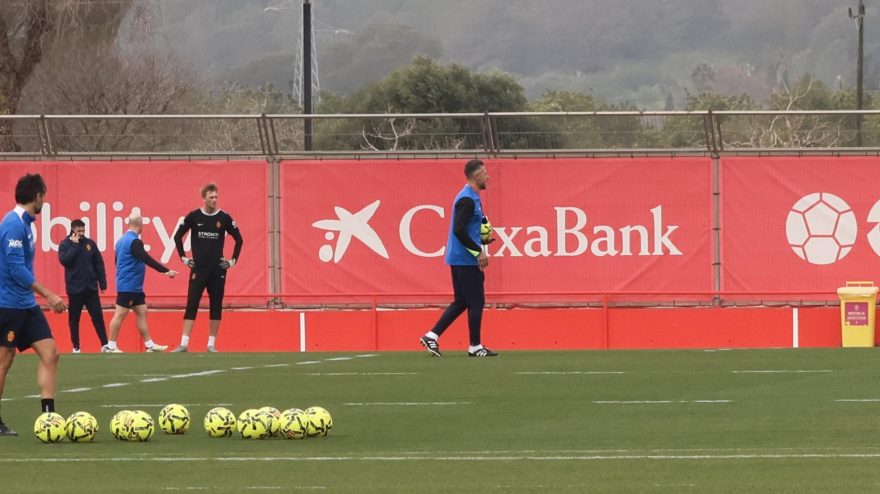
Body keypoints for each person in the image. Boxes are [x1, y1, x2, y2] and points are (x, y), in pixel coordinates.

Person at [0, 173, 67, 436]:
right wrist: (48, 294)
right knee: (5, 359)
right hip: (8, 305)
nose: (44, 202)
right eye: (44, 197)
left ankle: (48, 418)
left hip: (26, 304)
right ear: (37, 197)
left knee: (51, 353)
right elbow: (15, 268)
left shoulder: (27, 224)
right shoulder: (13, 224)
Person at [420, 159, 498, 358]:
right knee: (476, 301)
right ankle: (475, 346)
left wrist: (482, 238)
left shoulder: (471, 197)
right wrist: (478, 251)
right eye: (485, 173)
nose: (488, 176)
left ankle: (431, 335)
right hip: (465, 259)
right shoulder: (467, 199)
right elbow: (459, 230)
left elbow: (465, 229)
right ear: (477, 176)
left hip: (460, 258)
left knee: (462, 301)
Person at [171, 183, 243, 353]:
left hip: (217, 269)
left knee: (216, 304)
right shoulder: (194, 216)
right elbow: (177, 236)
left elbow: (239, 239)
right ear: (204, 198)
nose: (214, 200)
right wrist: (183, 258)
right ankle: (184, 344)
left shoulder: (224, 217)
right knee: (192, 303)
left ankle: (211, 344)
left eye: (216, 197)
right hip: (199, 268)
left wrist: (232, 261)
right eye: (211, 197)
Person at [103, 213, 176, 353]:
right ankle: (110, 346)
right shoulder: (134, 241)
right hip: (129, 285)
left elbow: (117, 262)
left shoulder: (120, 241)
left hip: (133, 285)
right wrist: (166, 271)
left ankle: (149, 345)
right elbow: (146, 258)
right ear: (140, 225)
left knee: (142, 311)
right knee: (120, 314)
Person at [58, 219, 109, 353]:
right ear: (73, 229)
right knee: (74, 319)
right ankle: (76, 346)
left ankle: (105, 344)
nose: (81, 233)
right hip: (75, 289)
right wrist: (74, 246)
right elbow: (65, 261)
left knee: (97, 317)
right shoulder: (65, 244)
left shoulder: (90, 244)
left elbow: (98, 263)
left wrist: (102, 282)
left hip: (90, 288)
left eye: (83, 230)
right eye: (79, 230)